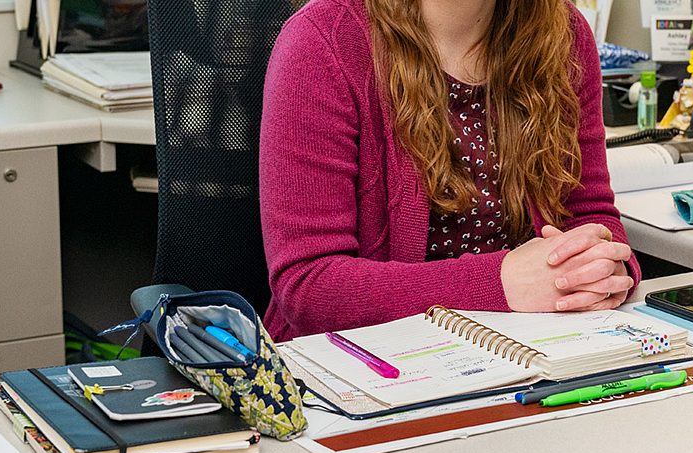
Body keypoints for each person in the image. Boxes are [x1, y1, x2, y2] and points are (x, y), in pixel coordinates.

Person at [258, 0, 639, 341]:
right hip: (361, 363)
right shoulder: (324, 41)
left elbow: (590, 215)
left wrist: (604, 269)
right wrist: (500, 282)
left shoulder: (561, 32)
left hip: (532, 346)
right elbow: (309, 286)